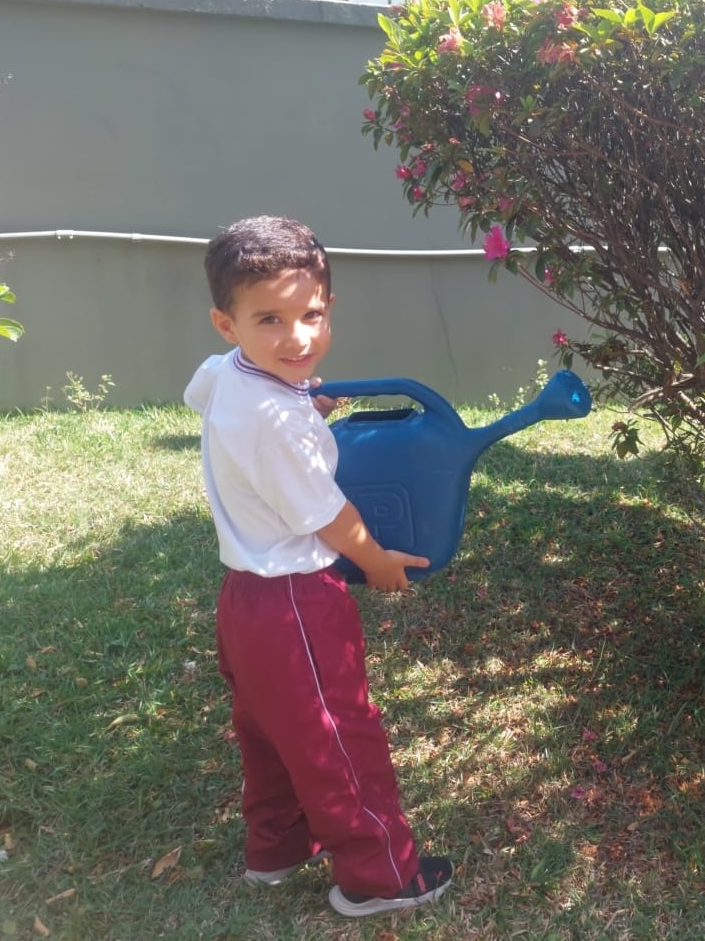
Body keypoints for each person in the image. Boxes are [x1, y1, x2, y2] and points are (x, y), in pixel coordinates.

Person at [184, 215, 454, 918]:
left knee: (270, 729)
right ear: (226, 322)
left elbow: (205, 394)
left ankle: (275, 847)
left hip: (244, 599)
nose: (297, 338)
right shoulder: (277, 422)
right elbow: (328, 514)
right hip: (297, 600)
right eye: (269, 320)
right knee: (337, 732)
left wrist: (304, 398)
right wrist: (377, 560)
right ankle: (379, 876)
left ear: (328, 306)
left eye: (309, 315)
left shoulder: (227, 373)